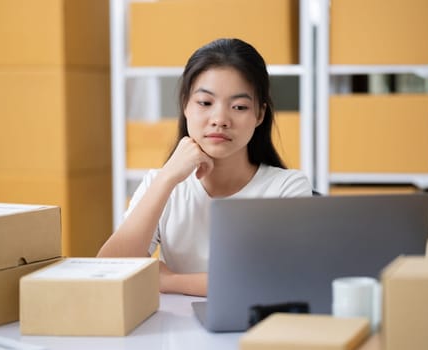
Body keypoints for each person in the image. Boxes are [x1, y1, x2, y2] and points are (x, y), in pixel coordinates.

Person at [97, 38, 313, 296]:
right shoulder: (161, 183)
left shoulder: (287, 188)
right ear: (185, 105)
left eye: (239, 107)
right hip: (170, 334)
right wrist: (166, 179)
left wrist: (167, 280)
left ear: (259, 115)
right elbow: (107, 271)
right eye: (205, 103)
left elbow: (279, 281)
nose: (220, 119)